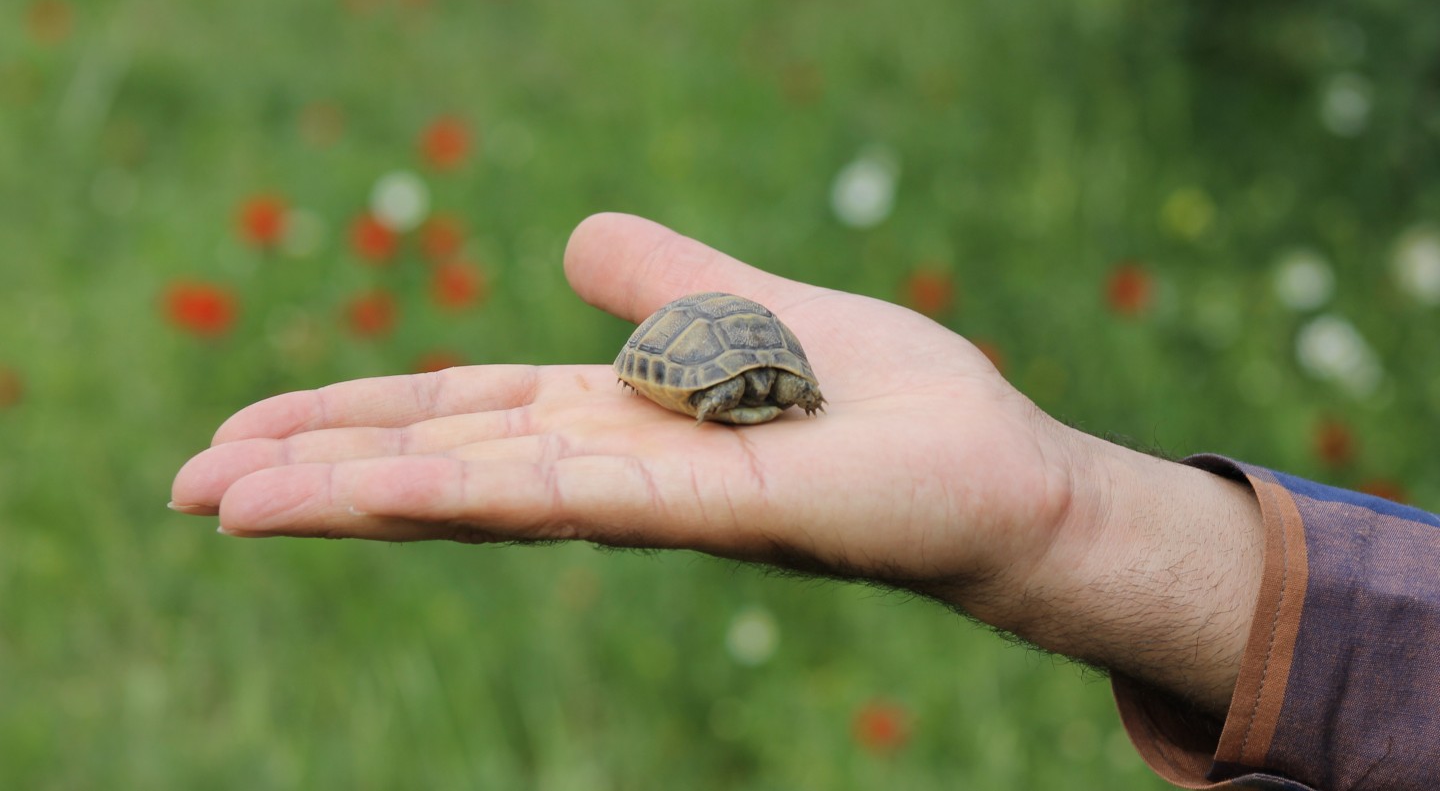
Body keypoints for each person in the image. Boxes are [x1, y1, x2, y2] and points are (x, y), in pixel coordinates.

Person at [171, 212, 1440, 789]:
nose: (766, 402)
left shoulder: (778, 384)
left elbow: (781, 392)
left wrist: (1065, 511)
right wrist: (1081, 514)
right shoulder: (721, 371)